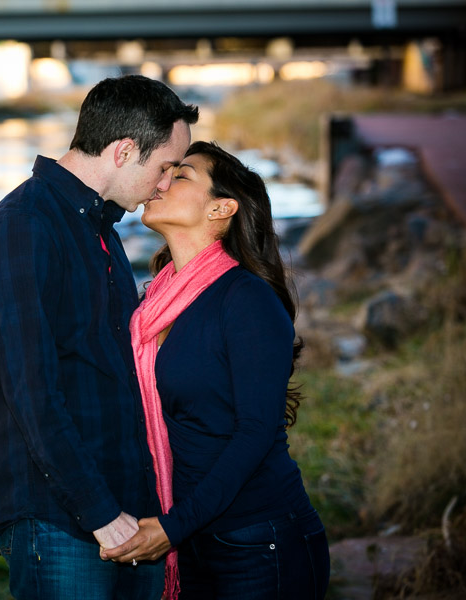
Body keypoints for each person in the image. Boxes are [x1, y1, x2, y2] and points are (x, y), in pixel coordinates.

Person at [0, 75, 199, 599]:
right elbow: (29, 388)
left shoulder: (100, 230)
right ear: (123, 150)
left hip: (126, 510)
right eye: (164, 168)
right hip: (61, 518)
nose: (165, 185)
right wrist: (98, 511)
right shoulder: (23, 225)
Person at [102, 141, 330, 600]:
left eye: (181, 175)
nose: (161, 182)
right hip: (195, 537)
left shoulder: (247, 299)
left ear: (221, 208)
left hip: (258, 538)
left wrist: (172, 528)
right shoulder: (157, 305)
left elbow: (256, 432)